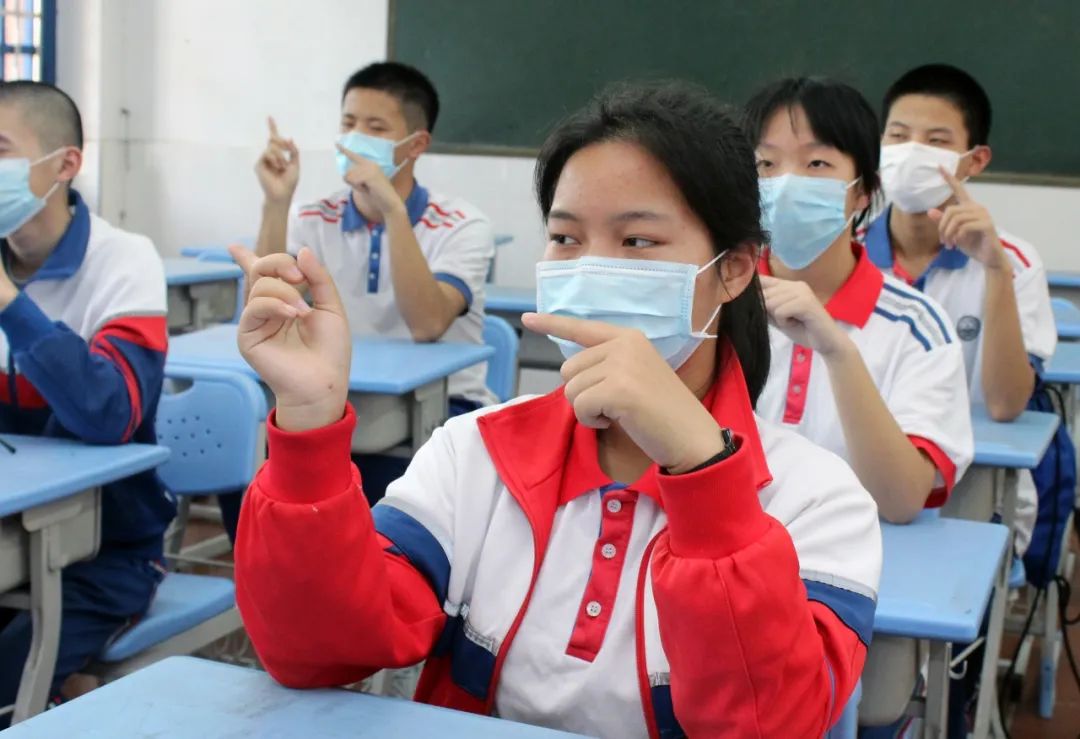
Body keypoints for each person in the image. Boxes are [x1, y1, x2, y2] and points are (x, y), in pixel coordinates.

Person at [231, 81, 881, 738]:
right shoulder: (475, 451)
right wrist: (309, 426)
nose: (592, 268)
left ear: (736, 267)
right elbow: (316, 650)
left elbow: (771, 725)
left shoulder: (815, 500)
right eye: (566, 237)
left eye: (638, 243)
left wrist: (701, 471)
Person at [0, 81, 170, 722]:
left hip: (104, 550)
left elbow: (110, 415)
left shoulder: (124, 261)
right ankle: (68, 698)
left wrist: (12, 306)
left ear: (65, 164)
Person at [251, 61, 496, 503]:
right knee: (263, 467)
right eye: (348, 123)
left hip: (439, 407)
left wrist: (393, 213)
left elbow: (427, 323)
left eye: (376, 126)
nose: (355, 137)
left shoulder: (461, 225)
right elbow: (272, 307)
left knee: (378, 499)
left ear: (415, 144)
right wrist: (277, 203)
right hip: (337, 397)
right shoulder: (312, 216)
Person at [744, 77, 973, 524]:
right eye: (765, 164)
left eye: (816, 163)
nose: (786, 183)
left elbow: (901, 501)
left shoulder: (917, 326)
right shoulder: (713, 304)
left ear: (863, 190)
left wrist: (838, 352)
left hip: (857, 567)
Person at [867, 64, 1054, 421]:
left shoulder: (1014, 262)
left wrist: (996, 271)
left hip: (971, 469)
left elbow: (1004, 406)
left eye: (937, 141)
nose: (912, 153)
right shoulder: (844, 253)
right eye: (898, 135)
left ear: (975, 160)